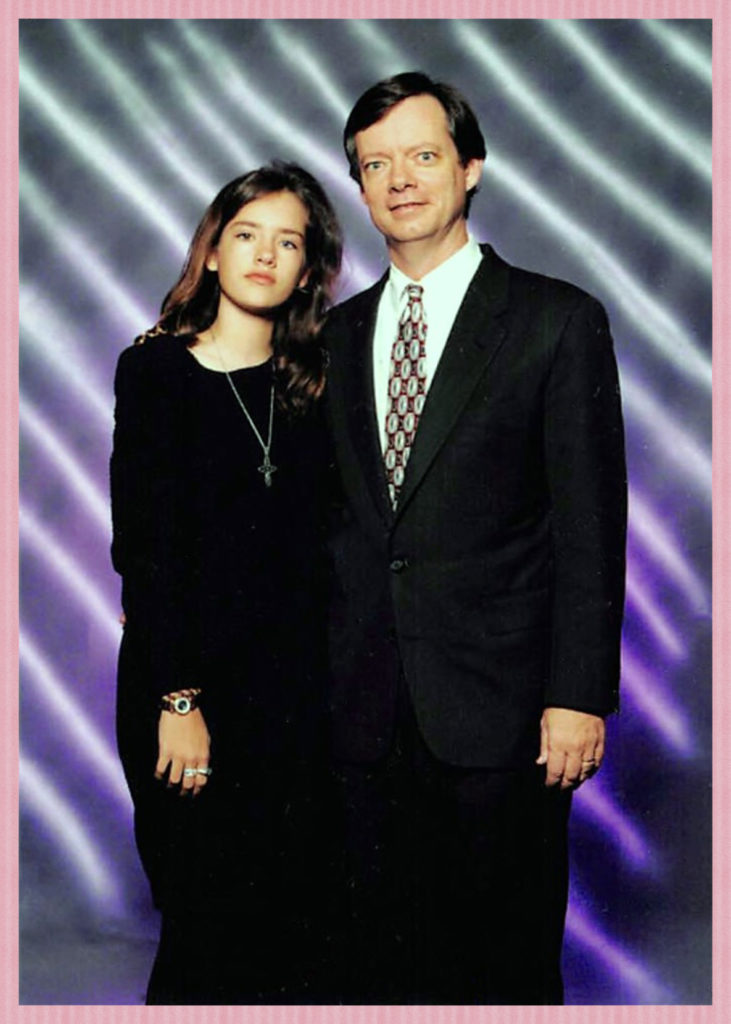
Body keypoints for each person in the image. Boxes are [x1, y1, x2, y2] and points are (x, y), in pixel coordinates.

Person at [323, 72, 627, 1004]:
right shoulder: (331, 337)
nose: (399, 181)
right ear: (361, 188)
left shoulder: (554, 320)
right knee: (377, 969)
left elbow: (590, 524)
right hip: (359, 716)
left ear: (471, 168)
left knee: (503, 967)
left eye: (421, 156)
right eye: (376, 165)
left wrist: (576, 696)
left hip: (503, 718)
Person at [110, 163, 342, 1005]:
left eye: (289, 242)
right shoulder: (156, 372)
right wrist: (179, 702)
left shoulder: (319, 377)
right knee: (206, 928)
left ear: (310, 269)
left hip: (297, 701)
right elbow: (147, 547)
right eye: (247, 234)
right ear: (212, 251)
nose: (264, 255)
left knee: (294, 931)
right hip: (190, 694)